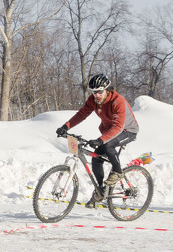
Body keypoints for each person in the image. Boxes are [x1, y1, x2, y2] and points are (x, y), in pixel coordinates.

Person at [56, 73, 139, 208]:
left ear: (108, 90)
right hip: (109, 132)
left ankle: (118, 172)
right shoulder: (93, 100)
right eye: (94, 92)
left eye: (100, 92)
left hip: (127, 131)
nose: (97, 95)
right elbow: (82, 114)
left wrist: (101, 140)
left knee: (108, 146)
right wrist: (66, 126)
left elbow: (118, 127)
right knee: (96, 158)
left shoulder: (118, 101)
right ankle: (101, 191)